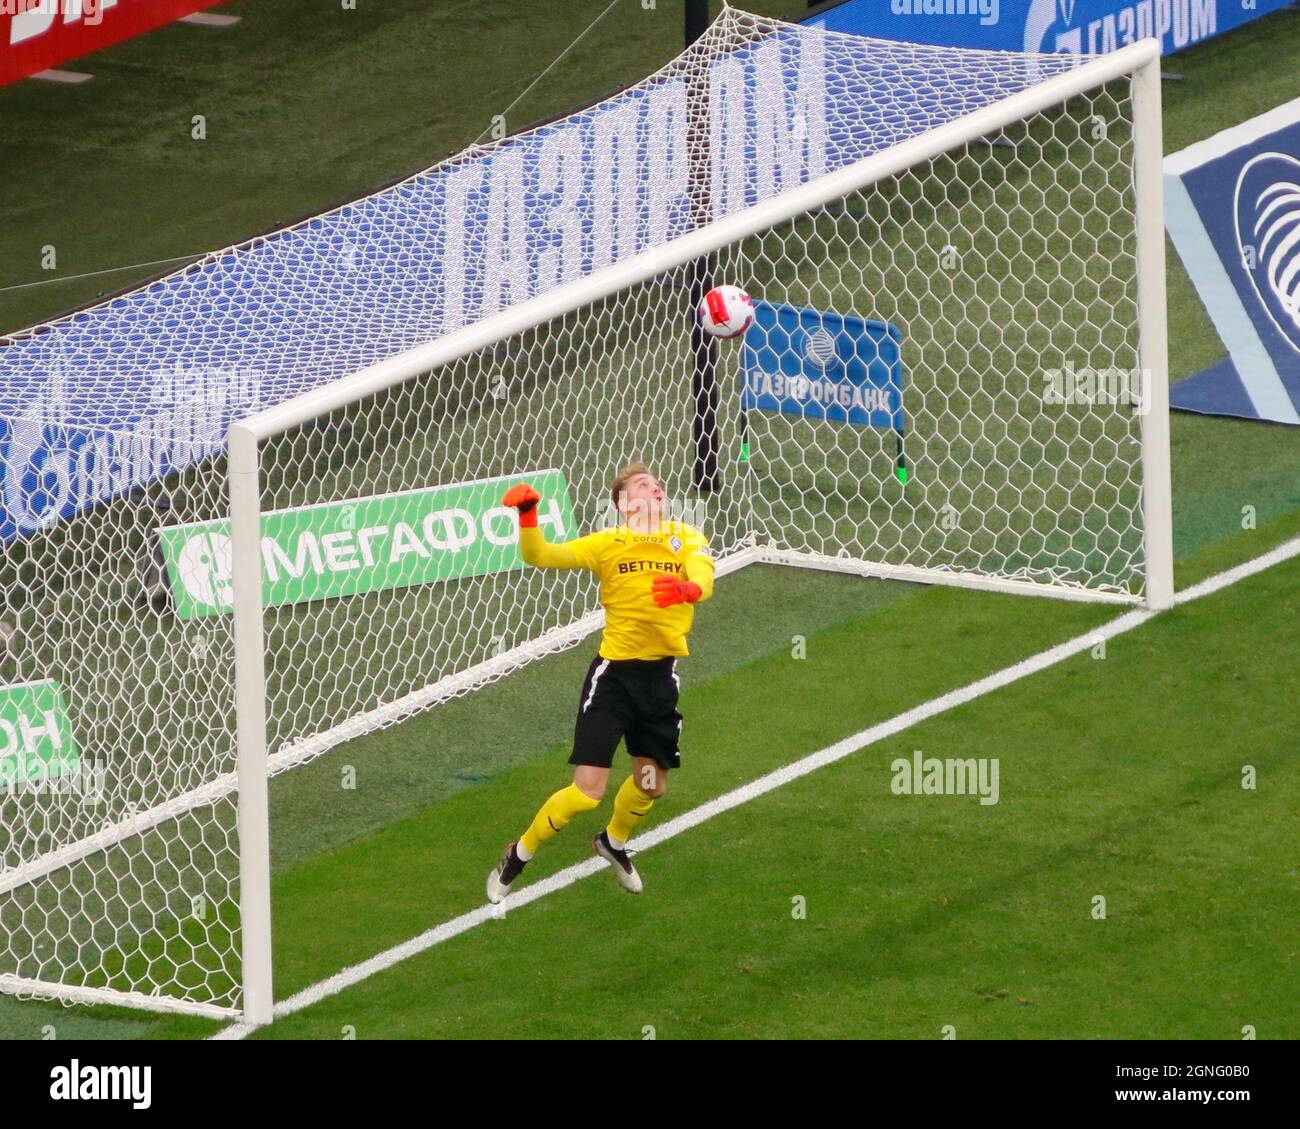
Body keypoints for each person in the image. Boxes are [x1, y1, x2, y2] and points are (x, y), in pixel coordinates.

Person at [486, 462, 714, 902]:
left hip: (659, 681)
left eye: (659, 484)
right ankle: (519, 853)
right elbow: (541, 556)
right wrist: (529, 518)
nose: (657, 488)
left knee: (651, 785)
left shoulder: (684, 535)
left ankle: (613, 842)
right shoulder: (607, 544)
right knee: (587, 791)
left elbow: (703, 571)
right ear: (626, 505)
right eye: (645, 486)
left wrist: (690, 590)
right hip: (614, 681)